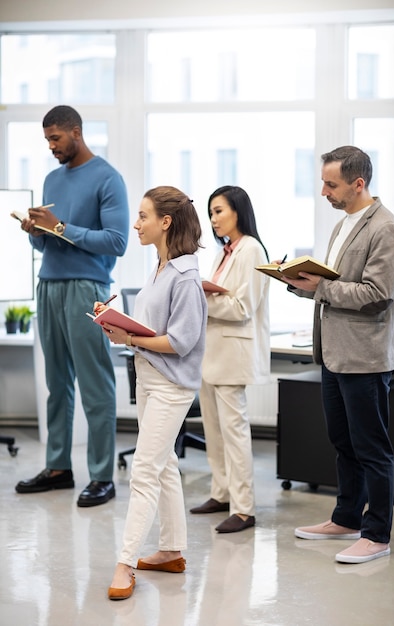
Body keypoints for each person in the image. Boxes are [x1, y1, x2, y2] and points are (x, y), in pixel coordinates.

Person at [281, 146, 394, 564]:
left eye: (330, 184)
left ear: (358, 183)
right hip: (333, 355)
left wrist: (319, 287)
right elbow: (333, 287)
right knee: (343, 443)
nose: (323, 192)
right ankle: (347, 518)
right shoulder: (343, 226)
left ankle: (377, 533)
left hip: (364, 358)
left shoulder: (385, 227)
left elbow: (377, 295)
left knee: (372, 448)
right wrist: (296, 281)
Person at [15, 105, 130, 507]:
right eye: (47, 140)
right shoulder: (52, 178)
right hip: (49, 285)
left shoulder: (108, 178)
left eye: (55, 139)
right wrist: (36, 232)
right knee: (56, 384)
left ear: (76, 133)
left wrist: (60, 227)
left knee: (95, 384)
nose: (51, 147)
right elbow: (48, 243)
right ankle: (58, 467)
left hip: (87, 288)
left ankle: (102, 476)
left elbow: (116, 242)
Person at [102, 186, 207, 600]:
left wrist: (132, 338)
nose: (135, 224)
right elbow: (149, 330)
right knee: (162, 466)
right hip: (148, 378)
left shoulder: (185, 276)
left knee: (144, 470)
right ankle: (171, 551)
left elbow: (181, 341)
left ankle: (124, 562)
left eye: (143, 216)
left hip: (170, 385)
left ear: (166, 222)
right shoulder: (161, 268)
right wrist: (119, 325)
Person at [190, 185, 270, 533]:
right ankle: (221, 493)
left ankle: (243, 508)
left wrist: (199, 298)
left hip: (232, 355)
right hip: (212, 355)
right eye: (211, 213)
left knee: (233, 433)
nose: (214, 219)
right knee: (215, 430)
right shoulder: (225, 252)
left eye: (219, 211)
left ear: (238, 210)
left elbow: (241, 307)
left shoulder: (251, 250)